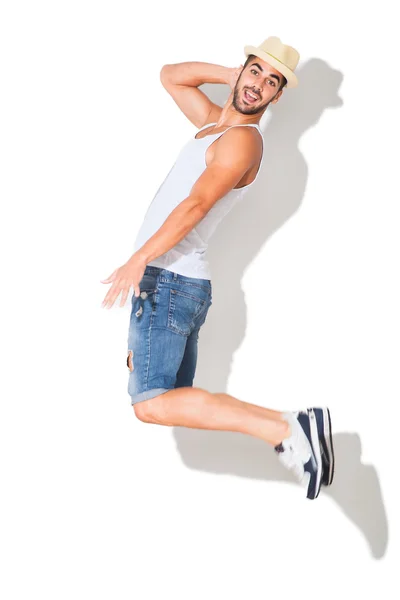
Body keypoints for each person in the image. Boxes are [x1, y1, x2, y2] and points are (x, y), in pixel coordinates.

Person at [100, 37, 335, 500]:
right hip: (173, 280)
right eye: (255, 72)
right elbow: (171, 75)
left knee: (149, 404)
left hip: (169, 278)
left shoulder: (243, 141)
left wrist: (139, 258)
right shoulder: (213, 125)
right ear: (241, 70)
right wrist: (231, 76)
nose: (259, 84)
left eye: (272, 82)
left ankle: (287, 427)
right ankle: (288, 429)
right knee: (164, 400)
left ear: (277, 97)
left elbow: (198, 204)